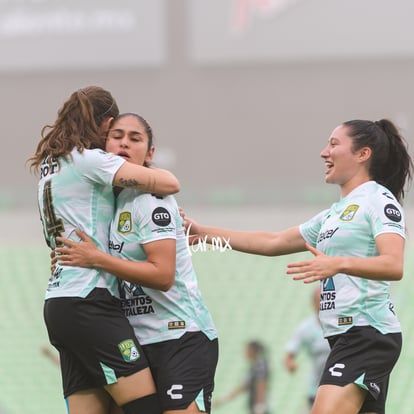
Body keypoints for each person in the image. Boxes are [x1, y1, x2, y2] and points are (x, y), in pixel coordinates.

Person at [181, 119, 413, 414]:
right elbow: (273, 241)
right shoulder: (333, 214)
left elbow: (393, 264)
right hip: (345, 337)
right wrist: (203, 234)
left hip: (367, 333)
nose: (323, 152)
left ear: (362, 154)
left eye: (333, 144)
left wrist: (337, 263)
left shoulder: (379, 201)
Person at [28, 87, 180, 414]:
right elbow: (169, 184)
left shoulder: (49, 165)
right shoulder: (90, 159)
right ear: (107, 123)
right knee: (146, 408)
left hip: (59, 302)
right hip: (90, 301)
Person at [54, 112, 219, 414]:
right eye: (117, 136)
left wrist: (97, 259)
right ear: (103, 148)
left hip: (179, 336)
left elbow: (163, 275)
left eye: (135, 138)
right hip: (139, 338)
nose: (125, 143)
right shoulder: (109, 204)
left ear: (150, 153)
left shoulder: (152, 199)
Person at [284, 286, 330, 412]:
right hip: (316, 389)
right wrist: (290, 363)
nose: (321, 304)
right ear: (313, 303)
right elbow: (289, 355)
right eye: (318, 300)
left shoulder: (342, 324)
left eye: (324, 300)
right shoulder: (305, 328)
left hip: (341, 385)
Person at [214, 340, 271, 414]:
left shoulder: (260, 366)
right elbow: (242, 387)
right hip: (255, 408)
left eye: (247, 350)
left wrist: (260, 406)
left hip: (259, 408)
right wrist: (223, 400)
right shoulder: (253, 367)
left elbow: (261, 385)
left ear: (252, 351)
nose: (245, 352)